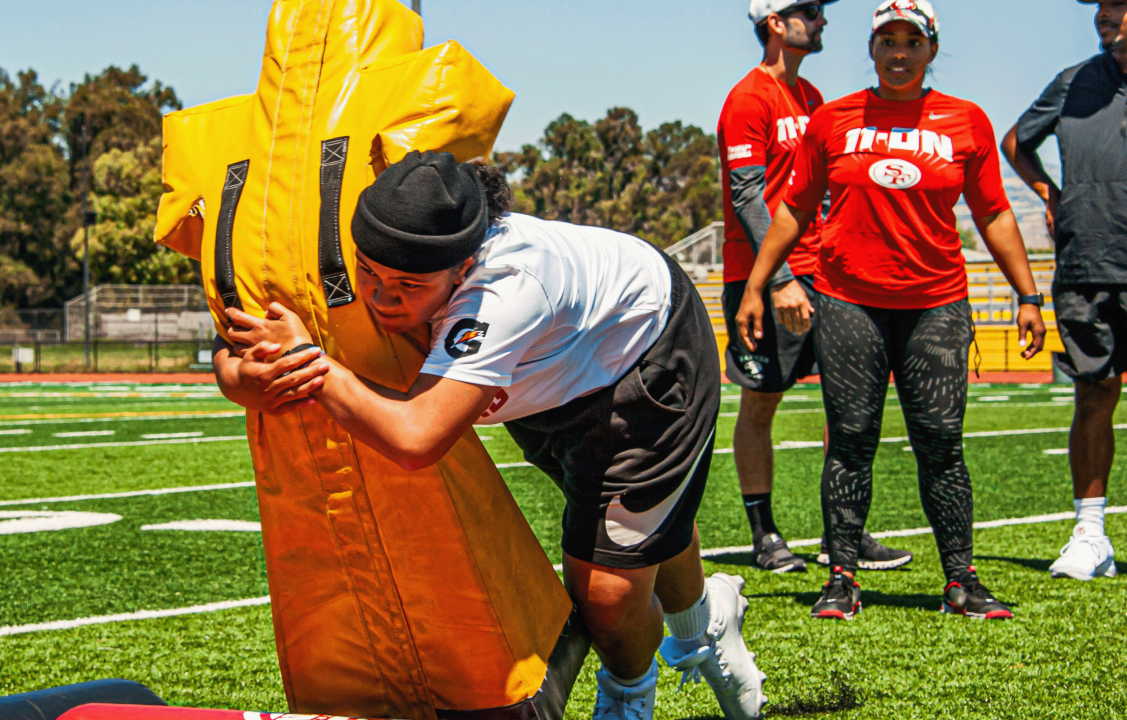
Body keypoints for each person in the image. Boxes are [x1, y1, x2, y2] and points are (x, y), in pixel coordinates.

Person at [217, 151, 767, 720]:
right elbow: (233, 326)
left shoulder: (504, 288)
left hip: (640, 358)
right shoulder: (375, 246)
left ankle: (628, 693)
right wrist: (241, 378)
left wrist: (310, 364)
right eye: (368, 272)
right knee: (635, 529)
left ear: (464, 266)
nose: (381, 297)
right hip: (549, 375)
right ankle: (708, 618)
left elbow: (417, 439)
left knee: (605, 598)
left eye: (408, 283)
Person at [736, 0, 1047, 621]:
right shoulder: (834, 118)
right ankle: (843, 578)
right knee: (850, 441)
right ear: (872, 49)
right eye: (887, 41)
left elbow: (994, 213)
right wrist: (759, 283)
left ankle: (962, 579)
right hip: (849, 302)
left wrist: (1029, 294)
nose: (899, 52)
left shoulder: (967, 121)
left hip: (936, 304)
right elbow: (795, 207)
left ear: (932, 49)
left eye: (912, 41)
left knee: (942, 444)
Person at [720, 0, 913, 573]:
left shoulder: (813, 100)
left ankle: (842, 535)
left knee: (846, 407)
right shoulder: (748, 98)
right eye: (808, 11)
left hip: (826, 275)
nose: (822, 19)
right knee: (761, 404)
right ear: (775, 23)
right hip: (764, 277)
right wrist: (778, 279)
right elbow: (748, 195)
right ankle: (765, 535)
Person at [1001, 0, 1126, 582]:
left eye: (1119, 4)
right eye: (1102, 5)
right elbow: (1015, 142)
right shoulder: (1073, 82)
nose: (1107, 14)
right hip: (1089, 258)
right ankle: (1090, 533)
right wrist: (1051, 194)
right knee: (1094, 394)